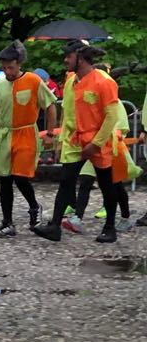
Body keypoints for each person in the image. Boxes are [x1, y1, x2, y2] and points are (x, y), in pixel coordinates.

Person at [34, 43, 127, 244]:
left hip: (99, 140)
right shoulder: (70, 82)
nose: (65, 60)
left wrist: (96, 143)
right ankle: (55, 226)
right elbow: (68, 113)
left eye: (69, 56)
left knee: (107, 184)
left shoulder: (104, 82)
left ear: (81, 58)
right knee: (66, 180)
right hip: (75, 140)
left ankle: (109, 227)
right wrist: (61, 139)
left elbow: (111, 116)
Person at [0, 40, 56, 237]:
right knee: (5, 178)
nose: (7, 71)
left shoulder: (33, 80)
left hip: (26, 133)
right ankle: (7, 222)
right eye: (4, 68)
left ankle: (34, 207)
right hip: (5, 134)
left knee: (20, 176)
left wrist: (50, 133)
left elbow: (50, 105)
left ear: (19, 64)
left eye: (11, 67)